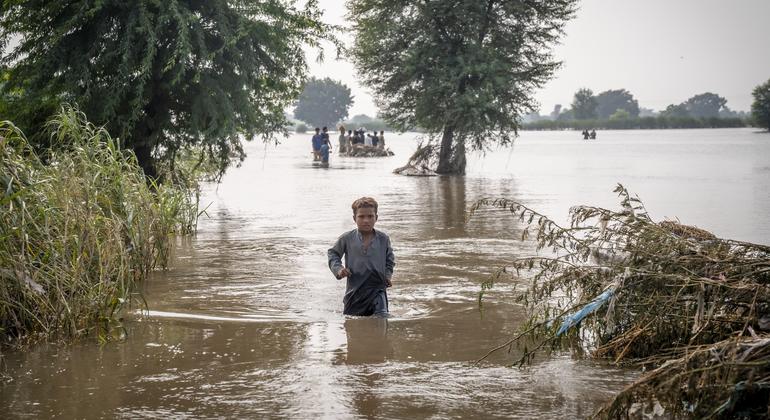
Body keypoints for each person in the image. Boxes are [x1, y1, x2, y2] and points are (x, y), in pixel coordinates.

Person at [328, 197, 395, 317]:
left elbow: (390, 260)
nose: (366, 220)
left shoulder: (383, 239)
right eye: (361, 217)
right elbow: (333, 254)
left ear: (376, 218)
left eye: (370, 216)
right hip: (354, 292)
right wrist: (339, 269)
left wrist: (387, 275)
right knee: (352, 323)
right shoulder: (347, 238)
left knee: (381, 318)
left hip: (378, 290)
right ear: (354, 218)